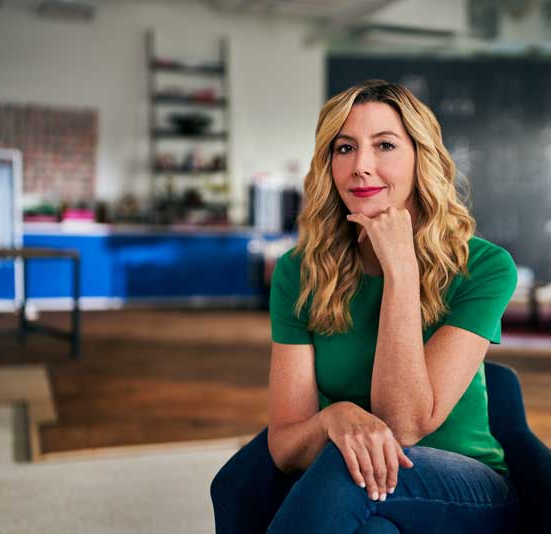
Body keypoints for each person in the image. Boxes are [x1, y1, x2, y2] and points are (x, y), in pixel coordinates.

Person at [211, 80, 520, 533]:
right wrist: (334, 418)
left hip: (465, 483)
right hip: (354, 483)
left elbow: (404, 424)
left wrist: (401, 272)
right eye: (345, 148)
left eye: (385, 145)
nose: (361, 166)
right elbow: (286, 445)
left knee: (347, 472)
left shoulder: (485, 267)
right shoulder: (300, 271)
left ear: (421, 158)